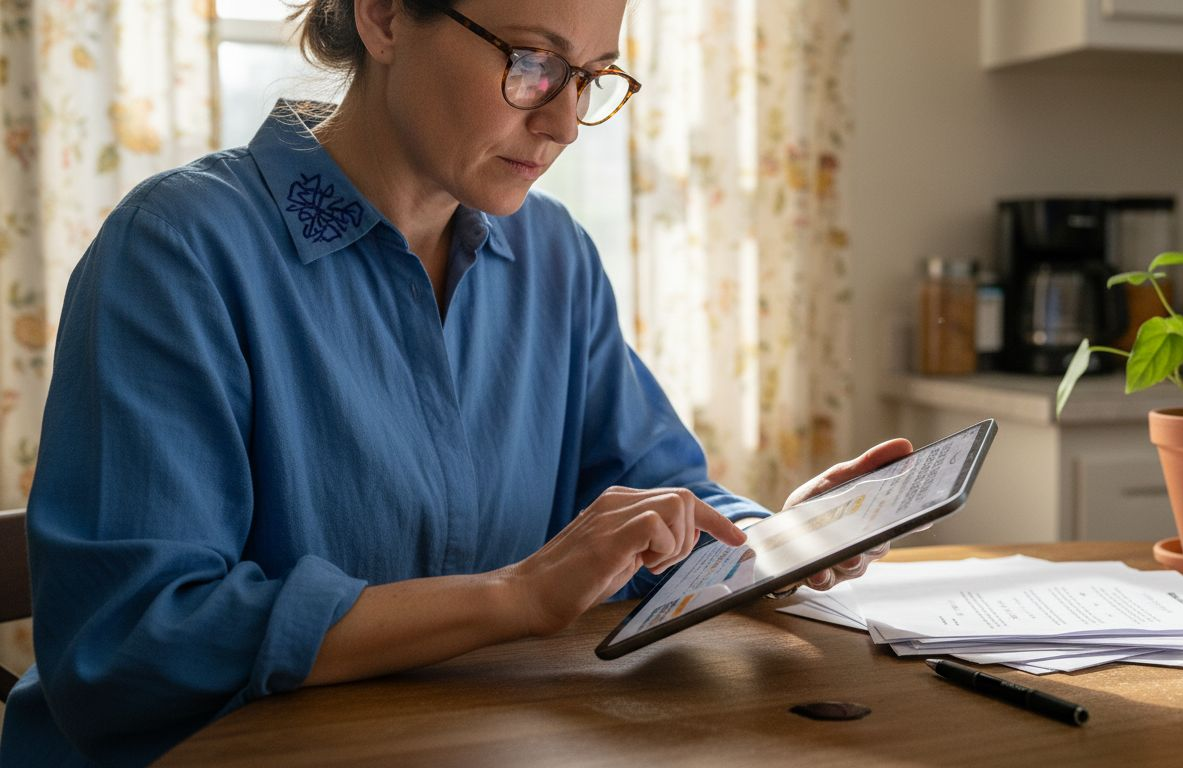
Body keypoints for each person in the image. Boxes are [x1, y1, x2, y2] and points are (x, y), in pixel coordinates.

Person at [0, 0, 911, 764]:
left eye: (590, 78)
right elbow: (134, 641)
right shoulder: (180, 251)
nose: (560, 123)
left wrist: (774, 541)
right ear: (386, 15)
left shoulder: (554, 257)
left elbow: (657, 498)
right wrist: (512, 597)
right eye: (533, 64)